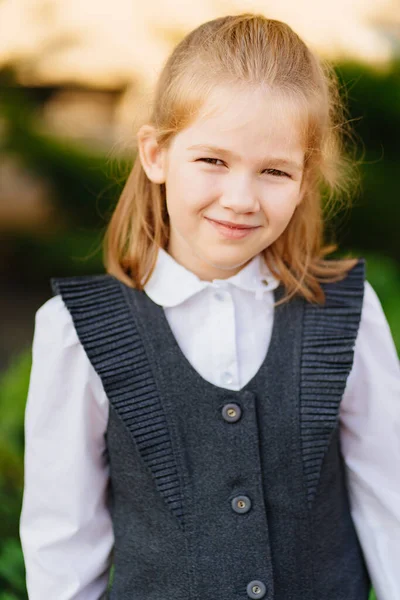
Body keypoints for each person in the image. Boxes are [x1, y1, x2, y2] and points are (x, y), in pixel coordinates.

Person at [19, 13, 400, 600]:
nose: (240, 198)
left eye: (275, 170)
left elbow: (390, 503)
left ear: (305, 181)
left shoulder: (347, 313)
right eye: (213, 161)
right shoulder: (75, 329)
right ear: (156, 154)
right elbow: (63, 539)